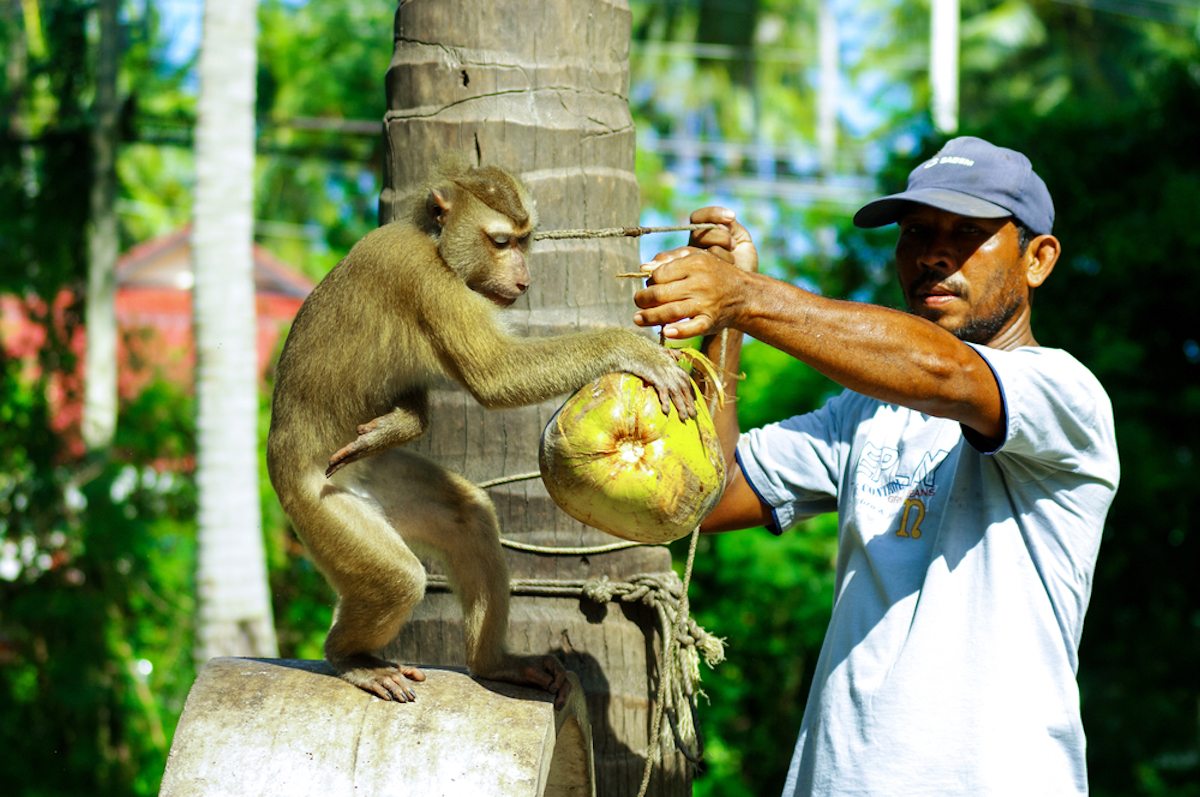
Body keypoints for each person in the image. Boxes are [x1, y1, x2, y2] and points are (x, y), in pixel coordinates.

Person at [632, 136, 1119, 796]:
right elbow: (708, 496)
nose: (933, 254)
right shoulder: (865, 412)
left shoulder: (1065, 393)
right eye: (916, 231)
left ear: (1039, 258)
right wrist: (727, 325)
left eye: (967, 234)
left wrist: (743, 294)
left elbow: (943, 371)